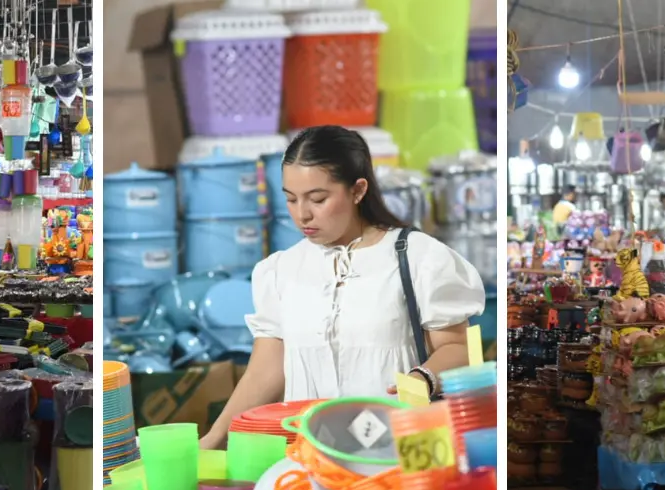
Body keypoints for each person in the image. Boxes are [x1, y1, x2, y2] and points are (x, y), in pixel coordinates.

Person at [199, 126, 486, 450]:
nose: (302, 214)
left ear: (358, 190)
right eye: (291, 199)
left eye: (318, 199)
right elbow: (264, 373)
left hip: (401, 449)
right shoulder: (280, 271)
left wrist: (423, 378)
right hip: (310, 453)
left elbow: (460, 348)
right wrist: (214, 438)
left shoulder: (419, 257)